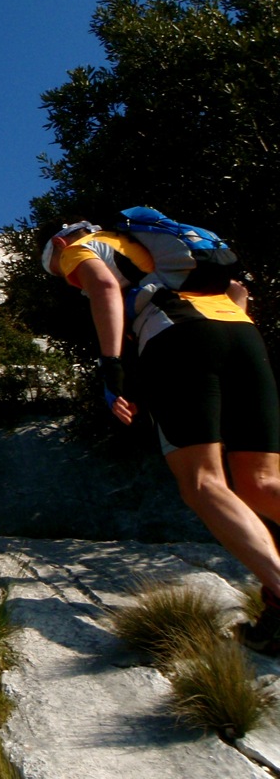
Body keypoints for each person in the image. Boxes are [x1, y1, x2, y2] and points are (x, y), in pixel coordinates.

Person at [41, 217, 280, 654]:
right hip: (243, 335)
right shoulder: (169, 247)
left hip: (178, 336)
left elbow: (105, 289)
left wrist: (111, 366)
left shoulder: (79, 246)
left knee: (204, 483)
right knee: (262, 483)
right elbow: (239, 294)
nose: (69, 281)